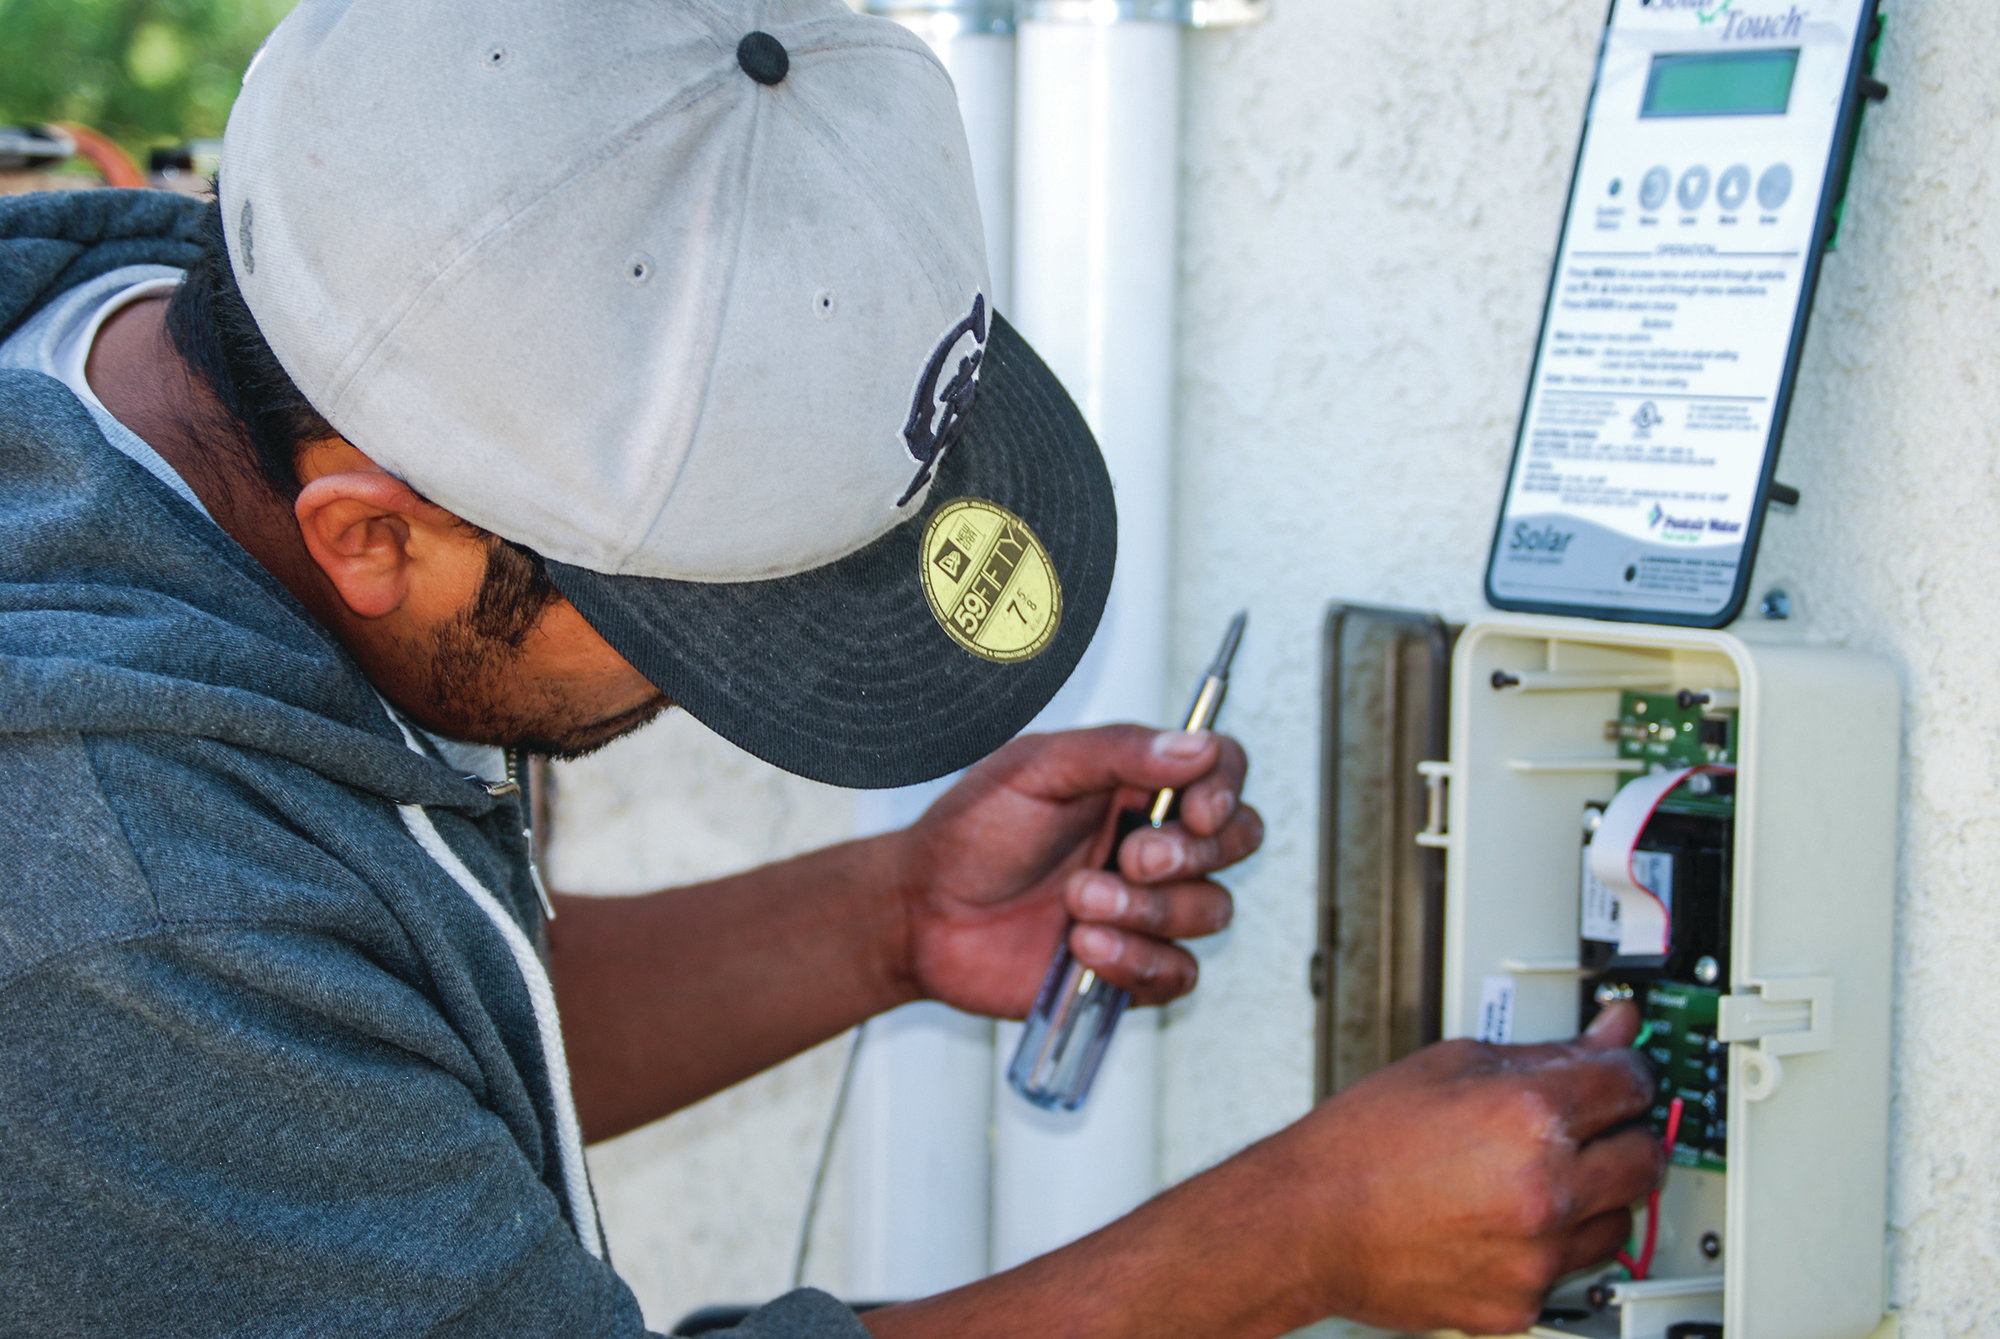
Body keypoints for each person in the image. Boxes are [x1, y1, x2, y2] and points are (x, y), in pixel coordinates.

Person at [0, 2, 1661, 1335]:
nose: (714, 685)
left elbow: (328, 1057)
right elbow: (199, 975)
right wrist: (1294, 1241)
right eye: (694, 620)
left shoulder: (142, 346)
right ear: (375, 534)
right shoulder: (110, 892)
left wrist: (891, 920)